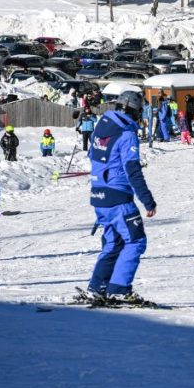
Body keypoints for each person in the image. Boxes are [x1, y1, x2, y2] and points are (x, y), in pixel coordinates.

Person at [85, 91, 157, 302]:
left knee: (113, 242)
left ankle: (97, 287)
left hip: (99, 194)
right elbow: (132, 170)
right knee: (135, 241)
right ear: (135, 111)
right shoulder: (127, 134)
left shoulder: (102, 126)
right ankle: (119, 289)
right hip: (118, 196)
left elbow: (93, 155)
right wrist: (147, 200)